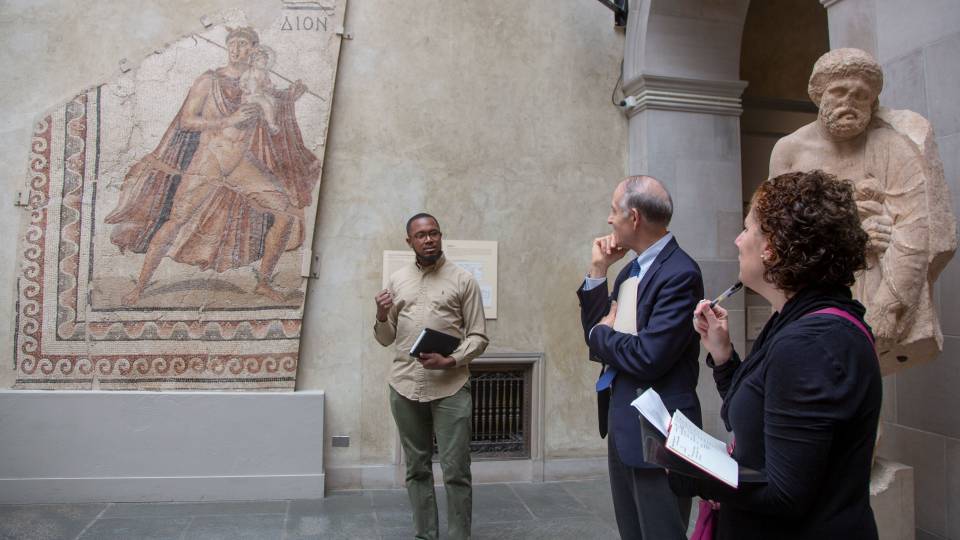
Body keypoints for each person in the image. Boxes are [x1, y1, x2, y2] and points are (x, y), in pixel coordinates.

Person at [672, 169, 882, 539]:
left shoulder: (811, 342)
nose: (738, 240)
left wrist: (690, 475)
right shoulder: (797, 320)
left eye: (747, 229)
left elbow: (784, 495)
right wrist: (723, 356)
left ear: (772, 246)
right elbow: (758, 418)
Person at [770, 47, 956, 370]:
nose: (850, 102)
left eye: (861, 95)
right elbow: (777, 234)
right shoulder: (790, 151)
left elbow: (915, 230)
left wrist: (889, 305)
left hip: (878, 290)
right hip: (810, 295)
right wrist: (852, 234)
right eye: (839, 92)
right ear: (819, 94)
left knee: (858, 379)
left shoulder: (891, 147)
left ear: (873, 102)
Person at [105, 26, 320, 305]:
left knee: (285, 214)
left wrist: (291, 96)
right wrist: (229, 120)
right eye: (233, 43)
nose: (236, 49)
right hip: (209, 161)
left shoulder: (258, 82)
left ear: (254, 49)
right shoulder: (209, 81)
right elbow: (187, 120)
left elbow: (273, 108)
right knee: (176, 221)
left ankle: (263, 282)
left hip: (240, 164)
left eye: (243, 44)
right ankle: (140, 286)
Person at [577, 175, 704, 539]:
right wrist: (599, 271)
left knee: (661, 531)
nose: (608, 219)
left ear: (633, 217)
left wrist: (602, 334)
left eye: (613, 210)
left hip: (658, 432)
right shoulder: (630, 270)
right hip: (623, 422)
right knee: (632, 531)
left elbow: (648, 357)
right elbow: (597, 339)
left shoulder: (680, 273)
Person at [373, 213, 488, 540]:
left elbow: (478, 336)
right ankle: (425, 535)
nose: (429, 239)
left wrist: (450, 360)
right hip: (404, 386)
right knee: (417, 469)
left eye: (434, 233)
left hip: (450, 387)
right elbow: (385, 338)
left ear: (440, 235)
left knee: (456, 471)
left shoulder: (463, 280)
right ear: (409, 241)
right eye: (421, 235)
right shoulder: (397, 280)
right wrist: (381, 314)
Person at [239, 45, 280, 134]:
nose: (265, 63)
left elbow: (265, 84)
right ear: (255, 62)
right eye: (263, 61)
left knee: (273, 101)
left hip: (261, 93)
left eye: (265, 62)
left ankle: (269, 118)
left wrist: (270, 86)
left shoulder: (265, 73)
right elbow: (241, 82)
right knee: (266, 104)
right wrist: (245, 89)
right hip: (251, 95)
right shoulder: (250, 72)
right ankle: (271, 125)